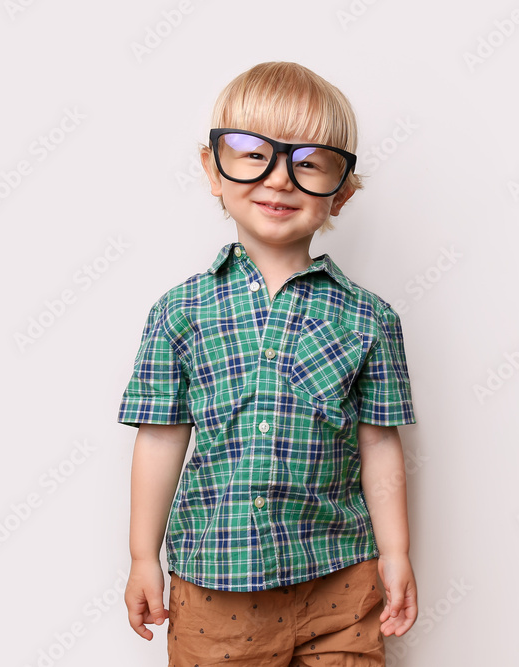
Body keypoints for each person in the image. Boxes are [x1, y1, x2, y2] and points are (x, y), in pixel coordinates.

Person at [118, 61, 419, 666]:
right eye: (253, 154)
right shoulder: (179, 312)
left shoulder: (371, 319)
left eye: (309, 163)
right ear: (212, 170)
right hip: (215, 590)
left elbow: (379, 443)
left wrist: (396, 552)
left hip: (340, 580)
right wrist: (143, 557)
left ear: (343, 190)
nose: (279, 179)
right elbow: (159, 439)